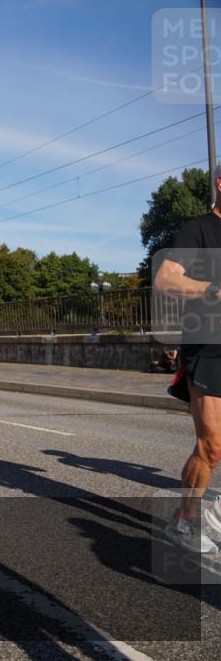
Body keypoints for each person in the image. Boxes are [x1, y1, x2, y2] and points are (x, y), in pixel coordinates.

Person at [155, 173, 221, 552]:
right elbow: (166, 279)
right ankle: (184, 521)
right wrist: (212, 288)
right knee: (211, 446)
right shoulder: (198, 230)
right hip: (209, 349)